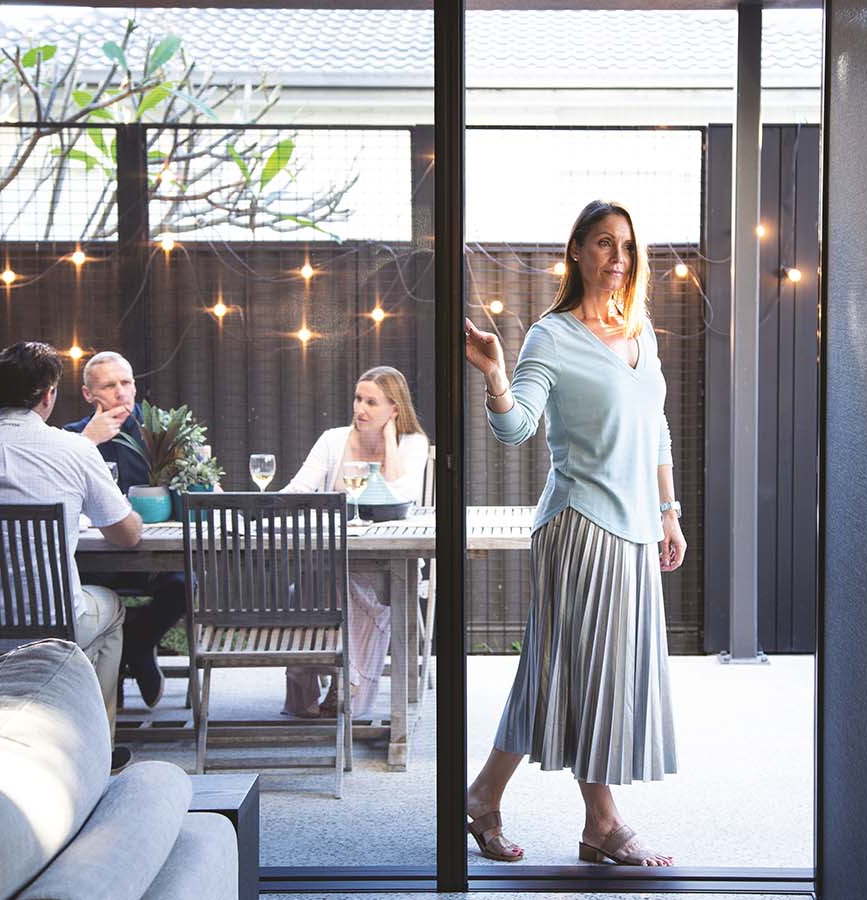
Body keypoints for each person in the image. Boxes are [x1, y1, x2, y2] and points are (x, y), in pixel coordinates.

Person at [462, 200, 686, 866]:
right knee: (588, 676)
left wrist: (669, 512)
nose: (617, 257)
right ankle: (603, 823)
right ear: (578, 251)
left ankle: (482, 798)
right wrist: (496, 373)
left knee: (552, 671)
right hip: (581, 525)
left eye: (626, 245)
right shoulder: (552, 335)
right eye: (603, 243)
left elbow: (656, 428)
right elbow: (516, 428)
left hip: (635, 529)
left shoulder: (640, 331)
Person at [0, 341, 143, 773]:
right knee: (112, 609)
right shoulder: (73, 449)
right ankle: (95, 752)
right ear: (49, 395)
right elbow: (127, 535)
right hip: (45, 631)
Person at [0, 350, 184, 708]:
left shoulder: (161, 435)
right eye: (109, 386)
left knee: (183, 583)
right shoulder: (69, 440)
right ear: (88, 394)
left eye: (126, 383)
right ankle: (110, 679)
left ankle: (137, 643)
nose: (120, 392)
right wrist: (88, 439)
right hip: (94, 561)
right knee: (92, 591)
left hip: (151, 557)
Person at [278, 365, 430, 719]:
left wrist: (389, 440)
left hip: (387, 563)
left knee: (335, 583)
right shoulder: (333, 440)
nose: (360, 408)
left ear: (394, 409)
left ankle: (348, 683)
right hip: (328, 559)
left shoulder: (412, 443)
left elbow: (402, 497)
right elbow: (297, 490)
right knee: (324, 580)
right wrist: (260, 511)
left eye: (372, 402)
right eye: (358, 398)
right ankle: (334, 682)